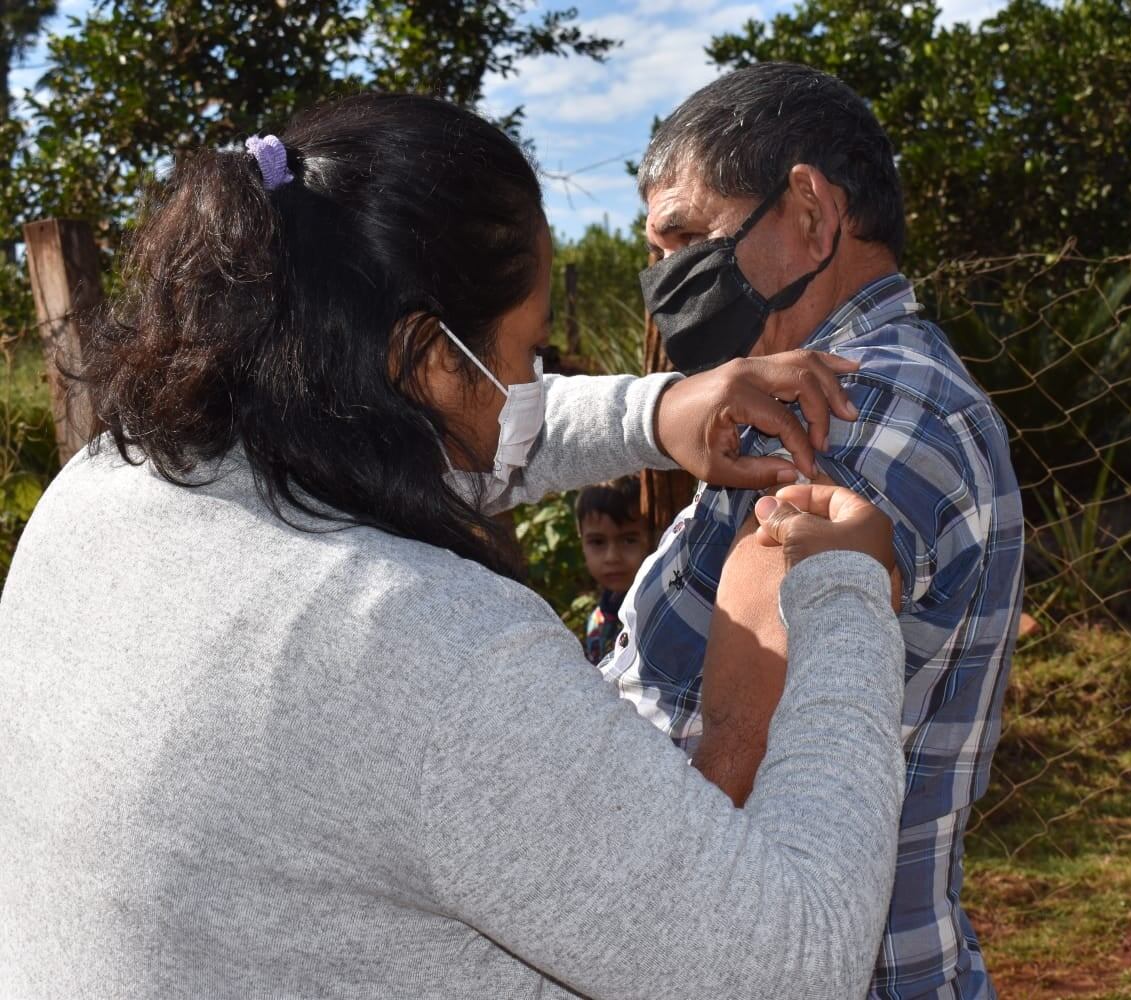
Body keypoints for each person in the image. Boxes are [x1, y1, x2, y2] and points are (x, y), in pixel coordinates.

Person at [0, 93, 910, 1000]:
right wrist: (841, 597)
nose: (534, 386)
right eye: (526, 354)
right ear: (428, 357)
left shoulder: (101, 490)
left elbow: (435, 438)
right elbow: (800, 964)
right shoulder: (430, 648)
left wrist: (655, 410)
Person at [602, 64, 1026, 1000]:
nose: (664, 281)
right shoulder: (800, 390)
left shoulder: (859, 408)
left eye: (687, 237)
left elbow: (736, 766)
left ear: (809, 212)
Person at [575, 476, 651, 664]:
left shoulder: (657, 613)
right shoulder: (597, 621)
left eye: (628, 540)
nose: (612, 557)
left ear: (652, 538)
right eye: (597, 542)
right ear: (582, 543)